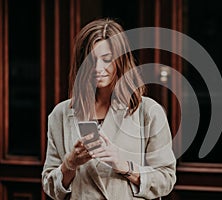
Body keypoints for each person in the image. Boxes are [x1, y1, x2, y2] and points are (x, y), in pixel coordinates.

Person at [42, 18, 176, 200]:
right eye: (91, 60)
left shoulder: (149, 112)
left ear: (121, 60)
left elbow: (166, 179)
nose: (98, 68)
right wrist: (70, 163)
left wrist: (123, 165)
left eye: (107, 59)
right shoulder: (62, 113)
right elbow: (50, 186)